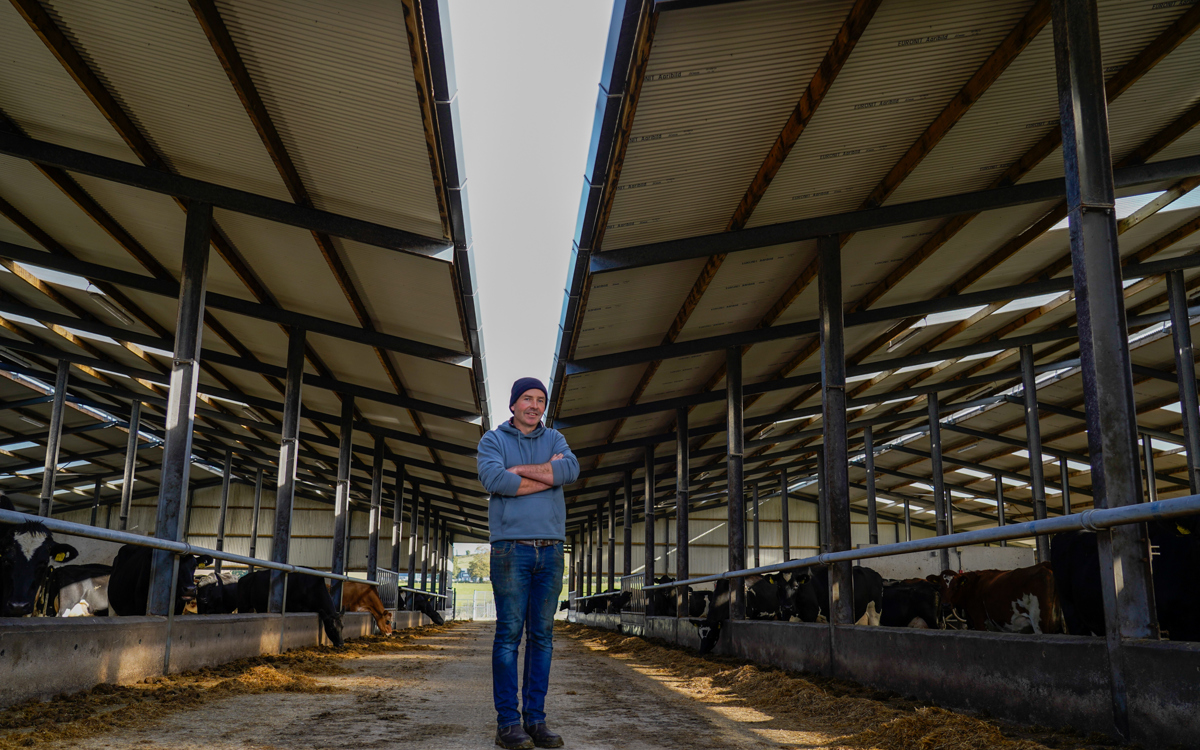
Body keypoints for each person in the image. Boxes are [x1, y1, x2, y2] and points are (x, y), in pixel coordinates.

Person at [477, 377, 579, 749]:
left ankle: (536, 719)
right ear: (513, 405)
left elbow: (570, 471)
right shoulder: (493, 440)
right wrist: (544, 475)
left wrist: (519, 472)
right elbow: (494, 479)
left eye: (540, 400)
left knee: (542, 637)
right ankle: (508, 724)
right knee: (508, 636)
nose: (534, 406)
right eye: (527, 399)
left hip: (551, 549)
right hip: (511, 550)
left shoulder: (555, 439)